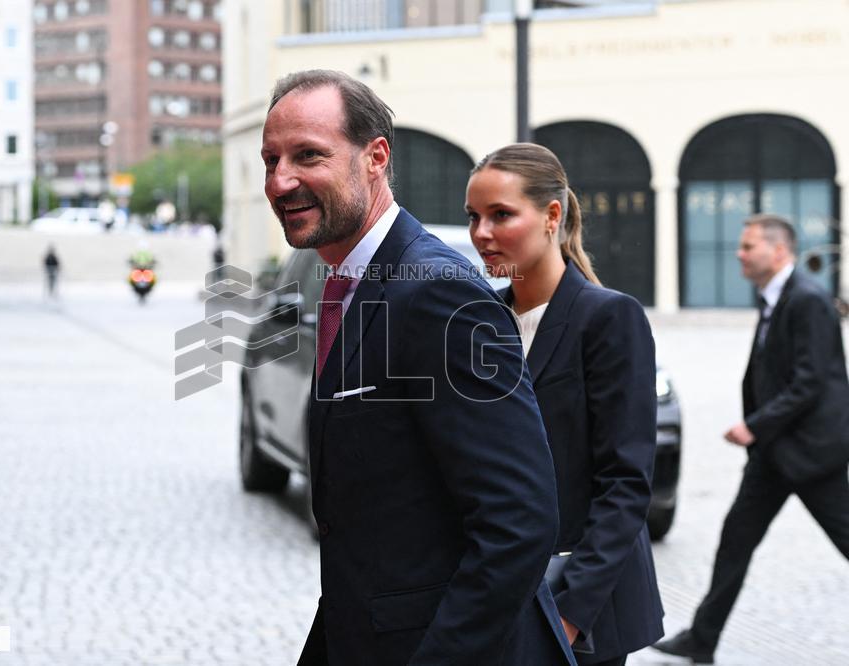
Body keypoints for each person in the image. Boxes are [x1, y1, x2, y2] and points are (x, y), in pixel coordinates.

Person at [262, 70, 575, 665]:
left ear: (375, 157)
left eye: (308, 155)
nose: (282, 180)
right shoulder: (351, 284)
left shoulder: (436, 293)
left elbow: (520, 522)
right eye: (271, 159)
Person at [466, 143, 664, 666]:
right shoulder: (477, 322)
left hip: (580, 609)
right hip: (493, 598)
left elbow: (625, 483)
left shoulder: (608, 318)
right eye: (474, 217)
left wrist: (570, 615)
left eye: (501, 215)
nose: (481, 233)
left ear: (552, 216)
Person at [653, 214, 849, 664]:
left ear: (778, 251)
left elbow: (810, 381)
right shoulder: (777, 298)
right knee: (735, 540)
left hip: (810, 453)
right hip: (774, 456)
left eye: (748, 247)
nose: (738, 254)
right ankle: (702, 640)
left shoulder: (808, 300)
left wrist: (754, 424)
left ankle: (701, 638)